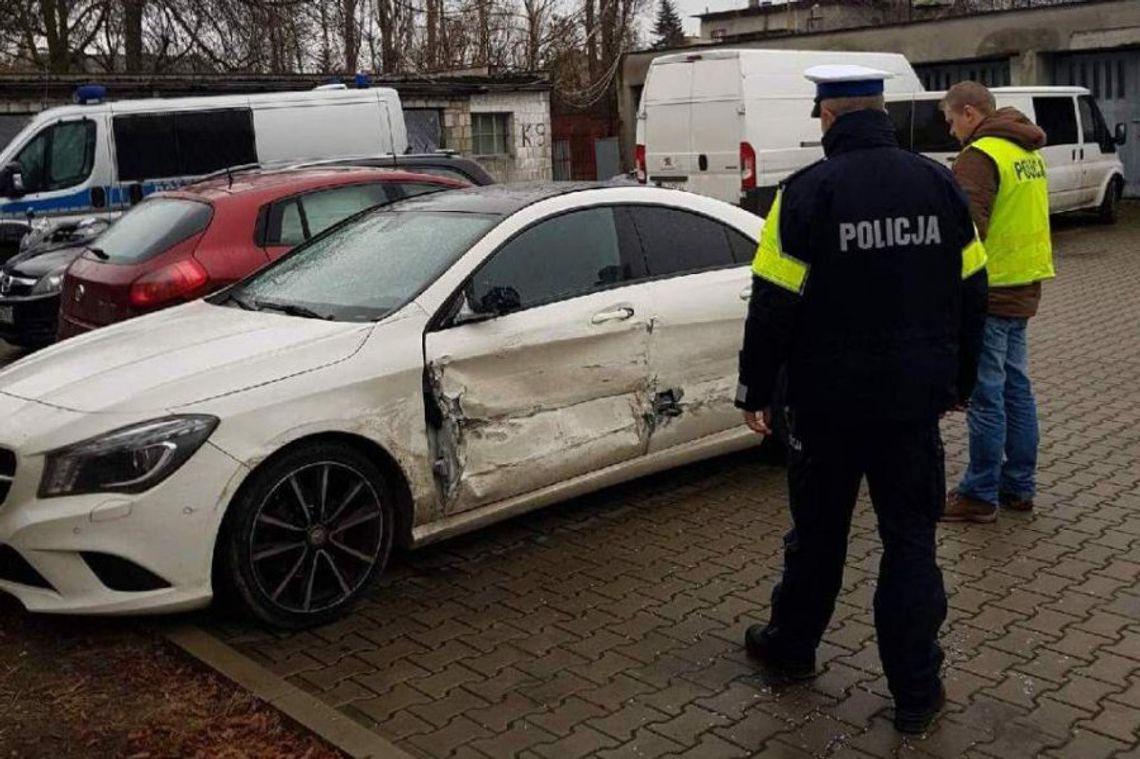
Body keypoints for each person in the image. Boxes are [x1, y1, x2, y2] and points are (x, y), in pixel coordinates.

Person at [735, 64, 988, 735]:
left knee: (818, 538)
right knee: (910, 542)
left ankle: (792, 648)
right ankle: (915, 691)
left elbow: (772, 307)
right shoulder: (940, 184)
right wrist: (959, 380)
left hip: (825, 410)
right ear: (878, 109)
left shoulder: (804, 194)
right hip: (912, 409)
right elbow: (973, 290)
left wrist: (755, 391)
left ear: (827, 116)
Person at [939, 81, 1053, 524]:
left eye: (951, 120)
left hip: (991, 291)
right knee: (1016, 389)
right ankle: (1019, 485)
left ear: (969, 113)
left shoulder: (980, 155)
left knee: (985, 395)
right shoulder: (1026, 149)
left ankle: (980, 493)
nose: (951, 132)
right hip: (1025, 285)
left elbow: (965, 232)